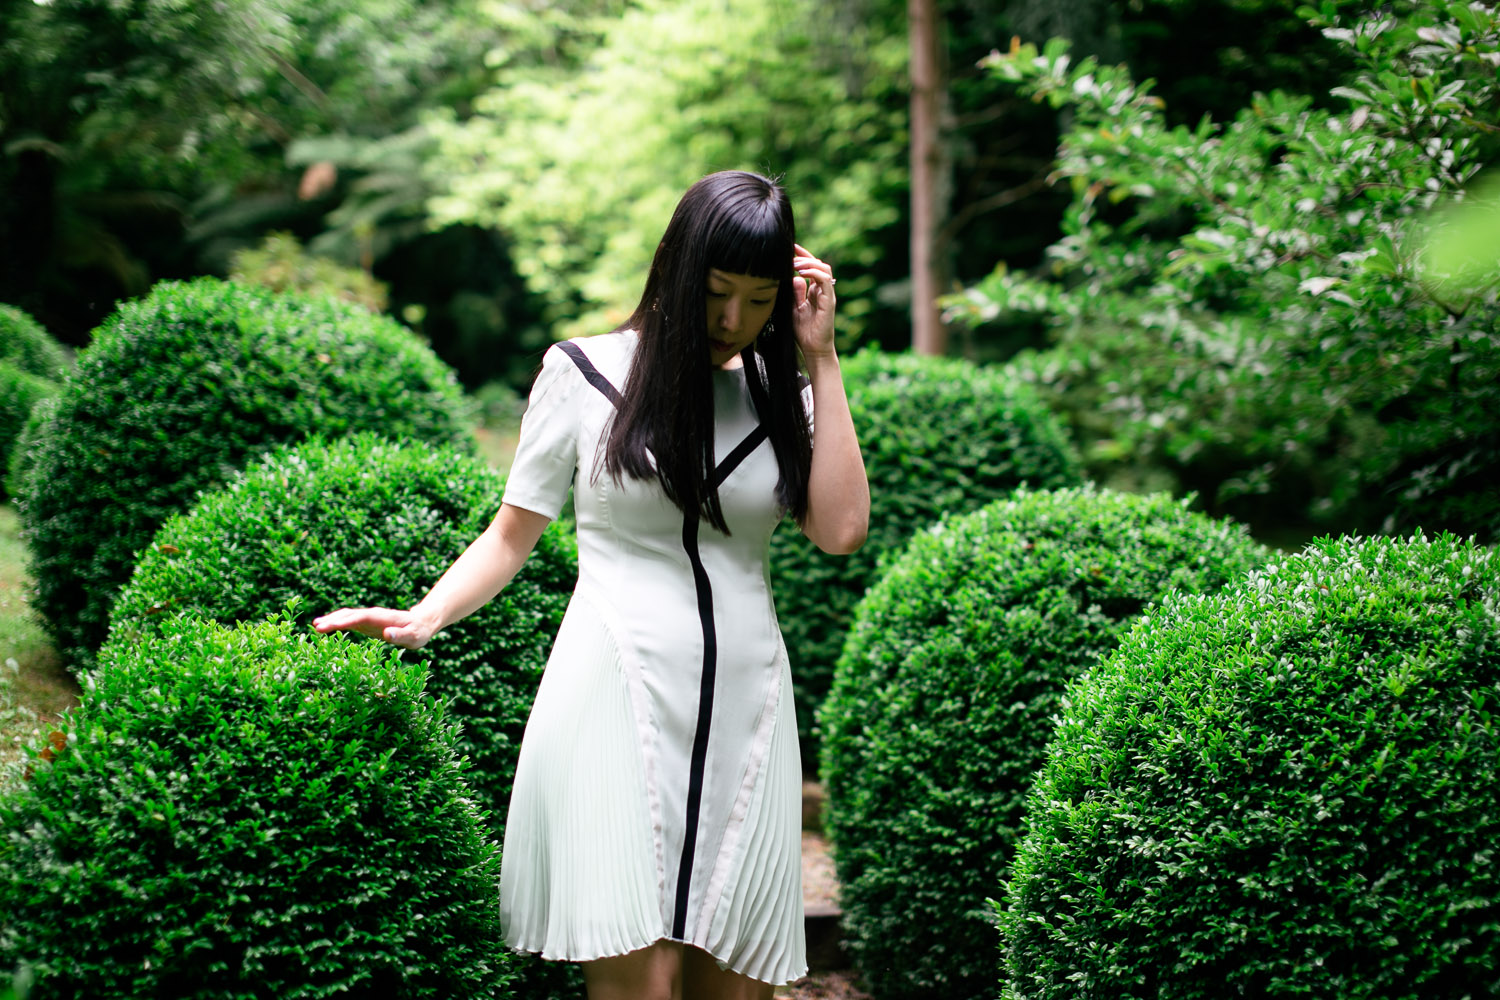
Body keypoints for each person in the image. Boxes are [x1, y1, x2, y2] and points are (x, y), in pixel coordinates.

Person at [313, 170, 870, 1000]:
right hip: (615, 689)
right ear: (678, 269)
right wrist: (425, 618)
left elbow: (841, 530)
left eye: (759, 301)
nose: (734, 320)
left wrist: (821, 357)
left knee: (735, 980)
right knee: (636, 975)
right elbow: (512, 532)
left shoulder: (784, 399)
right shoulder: (583, 372)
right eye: (718, 292)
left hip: (747, 704)